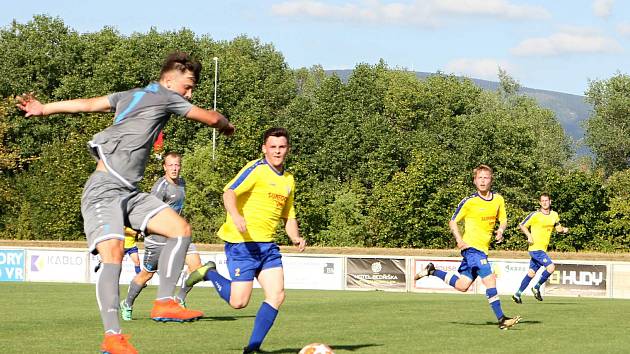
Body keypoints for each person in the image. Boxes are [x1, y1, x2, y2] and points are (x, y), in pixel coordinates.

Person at [16, 51, 235, 354]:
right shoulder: (166, 96)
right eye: (188, 85)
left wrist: (44, 109)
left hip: (130, 192)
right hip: (103, 190)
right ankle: (113, 336)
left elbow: (88, 105)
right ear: (169, 80)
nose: (189, 92)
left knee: (180, 229)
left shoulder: (131, 94)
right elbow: (209, 117)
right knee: (114, 255)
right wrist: (225, 124)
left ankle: (165, 302)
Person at [186, 127, 306, 353]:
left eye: (282, 147)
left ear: (288, 149)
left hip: (268, 246)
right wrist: (236, 215)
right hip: (242, 244)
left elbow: (288, 214)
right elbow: (229, 192)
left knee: (277, 295)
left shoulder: (288, 180)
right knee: (238, 302)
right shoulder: (256, 169)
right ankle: (208, 272)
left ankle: (252, 348)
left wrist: (295, 236)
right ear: (264, 148)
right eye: (273, 147)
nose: (277, 151)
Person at [415, 164, 521, 330]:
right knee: (490, 279)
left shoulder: (498, 199)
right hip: (471, 249)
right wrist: (459, 239)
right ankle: (502, 319)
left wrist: (501, 230)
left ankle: (432, 271)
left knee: (463, 285)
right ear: (474, 181)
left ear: (491, 180)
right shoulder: (469, 201)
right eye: (480, 178)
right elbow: (453, 221)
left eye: (486, 177)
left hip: (482, 250)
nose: (483, 181)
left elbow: (504, 219)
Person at [120, 151, 209, 320]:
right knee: (147, 274)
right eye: (171, 165)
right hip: (158, 238)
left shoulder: (182, 182)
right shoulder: (160, 188)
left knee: (197, 268)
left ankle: (179, 299)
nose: (174, 169)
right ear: (164, 167)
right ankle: (127, 303)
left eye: (177, 165)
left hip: (178, 234)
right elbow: (151, 212)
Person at [512, 193, 569, 303]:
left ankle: (517, 294)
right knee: (551, 267)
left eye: (546, 200)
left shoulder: (554, 215)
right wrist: (529, 236)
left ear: (550, 202)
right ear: (540, 203)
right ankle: (536, 287)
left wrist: (564, 230)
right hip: (535, 249)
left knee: (531, 273)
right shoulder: (535, 215)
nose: (544, 202)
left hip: (542, 249)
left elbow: (558, 228)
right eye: (542, 201)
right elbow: (522, 225)